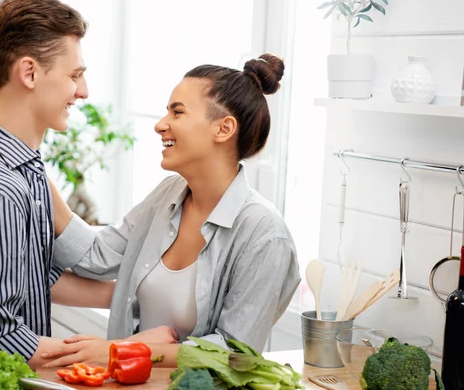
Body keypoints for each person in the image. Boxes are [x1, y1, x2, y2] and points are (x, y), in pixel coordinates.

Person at [0, 0, 175, 376]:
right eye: (75, 75)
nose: (83, 91)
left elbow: (31, 275)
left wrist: (129, 292)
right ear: (29, 72)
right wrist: (125, 348)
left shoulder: (18, 161)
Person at [42, 53, 301, 368]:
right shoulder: (168, 195)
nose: (160, 125)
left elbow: (235, 355)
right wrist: (35, 169)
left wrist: (121, 350)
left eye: (177, 112)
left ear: (223, 129)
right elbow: (97, 255)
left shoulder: (264, 235)